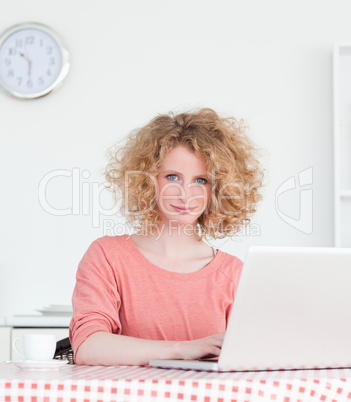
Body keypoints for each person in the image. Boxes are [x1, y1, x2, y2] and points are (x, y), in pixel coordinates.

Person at [69, 108, 264, 366]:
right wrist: (182, 349)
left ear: (218, 190)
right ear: (149, 182)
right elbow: (88, 346)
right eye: (173, 177)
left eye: (201, 180)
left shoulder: (233, 273)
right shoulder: (107, 256)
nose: (185, 194)